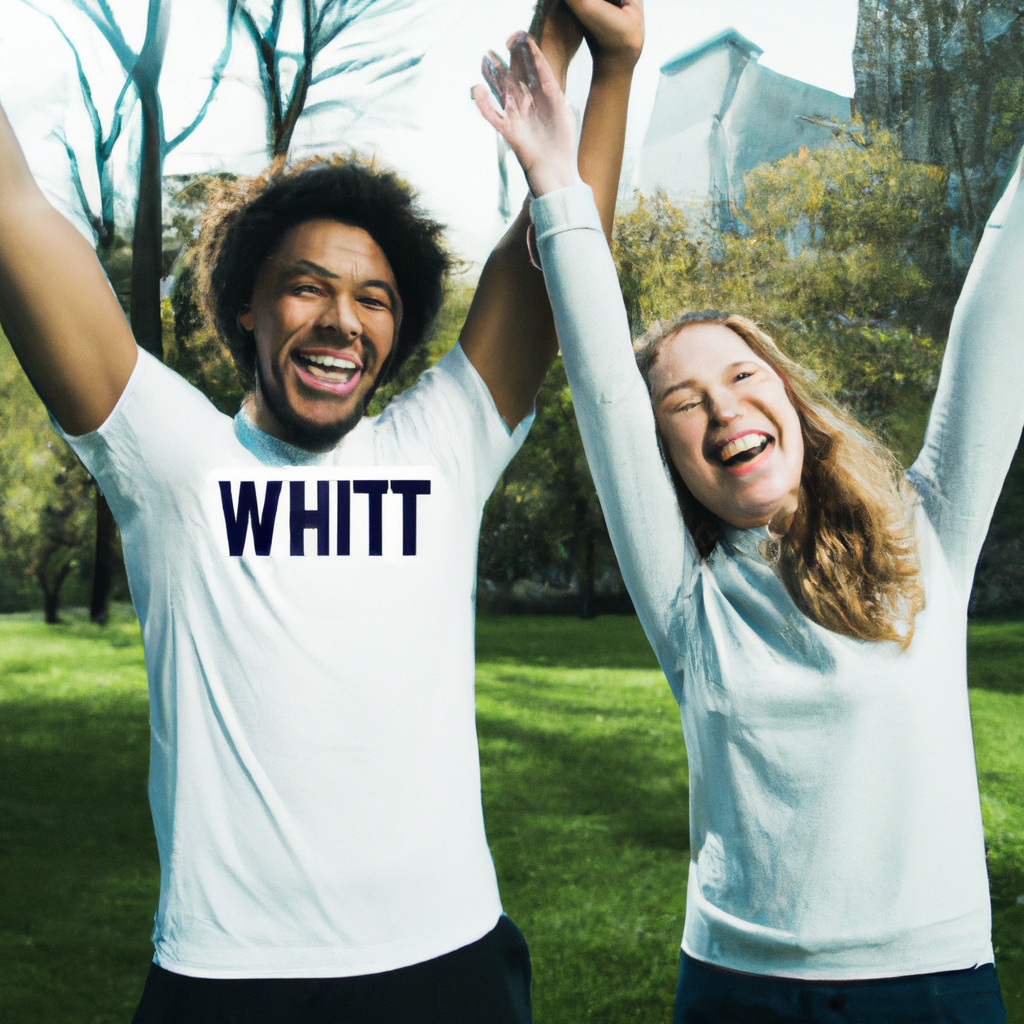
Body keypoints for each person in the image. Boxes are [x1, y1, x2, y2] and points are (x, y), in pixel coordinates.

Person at [0, 3, 642, 1021]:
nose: (342, 318)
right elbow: (14, 209)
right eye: (307, 287)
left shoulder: (439, 447)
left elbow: (559, 241)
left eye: (375, 298)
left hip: (449, 967)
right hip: (229, 979)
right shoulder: (176, 462)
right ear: (248, 307)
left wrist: (605, 64)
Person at [477, 32, 1021, 1024]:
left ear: (788, 400)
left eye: (738, 376)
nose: (720, 409)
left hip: (933, 986)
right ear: (667, 456)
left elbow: (1002, 317)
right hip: (738, 990)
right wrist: (554, 176)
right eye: (682, 403)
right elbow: (601, 386)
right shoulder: (689, 601)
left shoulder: (923, 540)